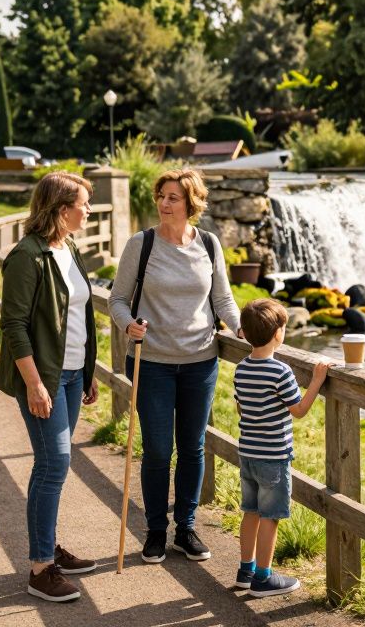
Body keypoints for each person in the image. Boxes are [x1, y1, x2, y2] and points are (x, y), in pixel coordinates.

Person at [107, 168, 241, 565]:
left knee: (193, 448)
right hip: (152, 363)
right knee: (158, 450)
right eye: (161, 196)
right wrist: (126, 324)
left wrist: (243, 329)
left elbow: (223, 302)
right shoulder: (141, 244)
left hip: (200, 362)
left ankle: (186, 528)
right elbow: (116, 299)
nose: (164, 204)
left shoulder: (210, 245)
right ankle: (155, 532)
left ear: (191, 204)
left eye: (173, 198)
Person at [0, 171, 99, 603]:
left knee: (53, 465)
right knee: (53, 464)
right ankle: (40, 568)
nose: (88, 210)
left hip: (73, 374)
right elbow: (13, 326)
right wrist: (35, 384)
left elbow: (77, 313)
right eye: (83, 204)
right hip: (46, 378)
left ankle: (48, 546)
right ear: (61, 210)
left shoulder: (67, 247)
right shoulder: (27, 256)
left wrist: (88, 370)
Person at [233, 299, 331, 597]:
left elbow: (240, 408)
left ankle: (245, 570)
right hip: (273, 457)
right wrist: (317, 380)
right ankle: (263, 578)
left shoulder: (242, 368)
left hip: (248, 453)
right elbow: (298, 410)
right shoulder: (280, 371)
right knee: (270, 516)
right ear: (278, 334)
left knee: (250, 511)